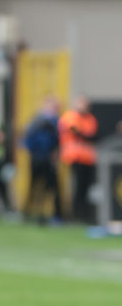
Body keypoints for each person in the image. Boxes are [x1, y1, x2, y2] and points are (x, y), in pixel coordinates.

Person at [22, 96, 62, 224]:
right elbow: (27, 140)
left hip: (49, 159)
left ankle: (55, 215)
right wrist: (35, 153)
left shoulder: (57, 121)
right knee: (35, 187)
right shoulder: (37, 120)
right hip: (38, 158)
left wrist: (55, 154)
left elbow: (59, 141)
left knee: (53, 187)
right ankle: (29, 213)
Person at [58, 95, 98, 224]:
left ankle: (85, 215)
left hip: (88, 159)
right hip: (74, 157)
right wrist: (84, 135)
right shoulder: (70, 116)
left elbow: (92, 135)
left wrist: (84, 135)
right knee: (77, 187)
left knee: (86, 188)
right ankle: (74, 215)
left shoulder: (91, 119)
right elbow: (74, 131)